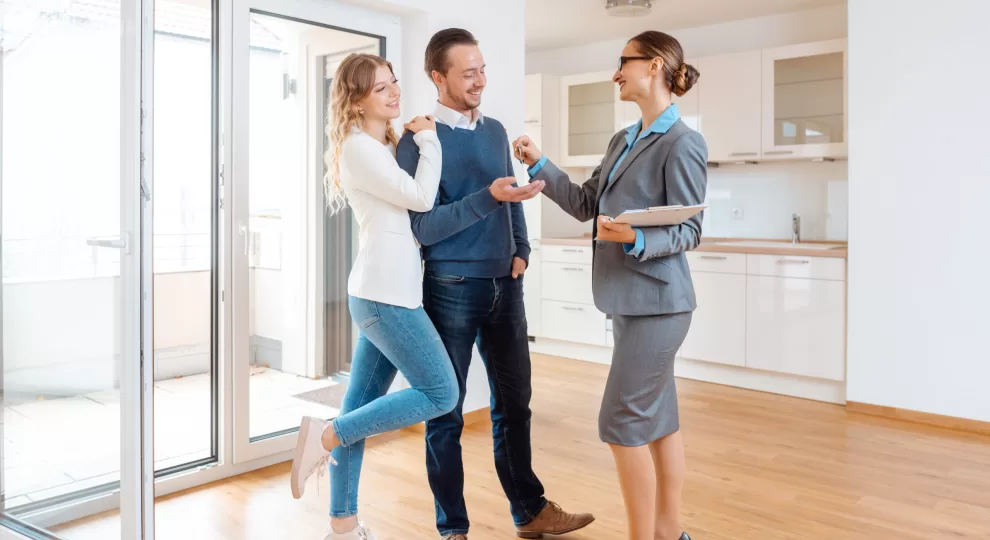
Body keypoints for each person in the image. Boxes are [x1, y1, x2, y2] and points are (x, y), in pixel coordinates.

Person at [395, 28, 595, 540]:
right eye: (468, 72)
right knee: (446, 410)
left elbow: (512, 196)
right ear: (438, 77)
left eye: (482, 68)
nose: (480, 79)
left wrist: (521, 250)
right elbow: (423, 228)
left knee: (516, 403)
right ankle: (453, 530)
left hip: (506, 285)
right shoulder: (420, 141)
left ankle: (529, 511)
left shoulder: (495, 129)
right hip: (451, 284)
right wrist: (488, 196)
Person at [513, 30, 705, 540]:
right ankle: (667, 534)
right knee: (657, 421)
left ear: (657, 65)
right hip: (631, 303)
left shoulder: (683, 142)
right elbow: (584, 202)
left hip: (660, 306)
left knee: (620, 424)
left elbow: (690, 230)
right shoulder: (623, 139)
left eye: (625, 62)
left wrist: (636, 236)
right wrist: (539, 162)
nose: (616, 72)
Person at [289, 53, 459, 540]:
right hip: (386, 297)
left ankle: (343, 528)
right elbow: (421, 198)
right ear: (356, 99)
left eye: (394, 83)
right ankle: (324, 437)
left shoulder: (379, 144)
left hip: (384, 291)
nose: (393, 93)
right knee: (441, 392)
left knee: (357, 411)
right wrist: (428, 138)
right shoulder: (361, 148)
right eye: (380, 88)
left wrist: (410, 139)